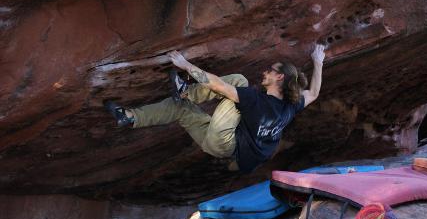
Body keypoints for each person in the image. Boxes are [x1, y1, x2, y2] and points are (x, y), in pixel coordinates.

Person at [105, 44, 326, 172]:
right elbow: (314, 93)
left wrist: (185, 65)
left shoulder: (255, 100)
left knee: (238, 81)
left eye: (270, 70)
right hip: (222, 150)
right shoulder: (290, 105)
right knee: (181, 108)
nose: (265, 71)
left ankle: (186, 91)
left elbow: (218, 85)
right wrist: (318, 60)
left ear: (279, 77)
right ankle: (131, 117)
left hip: (224, 141)